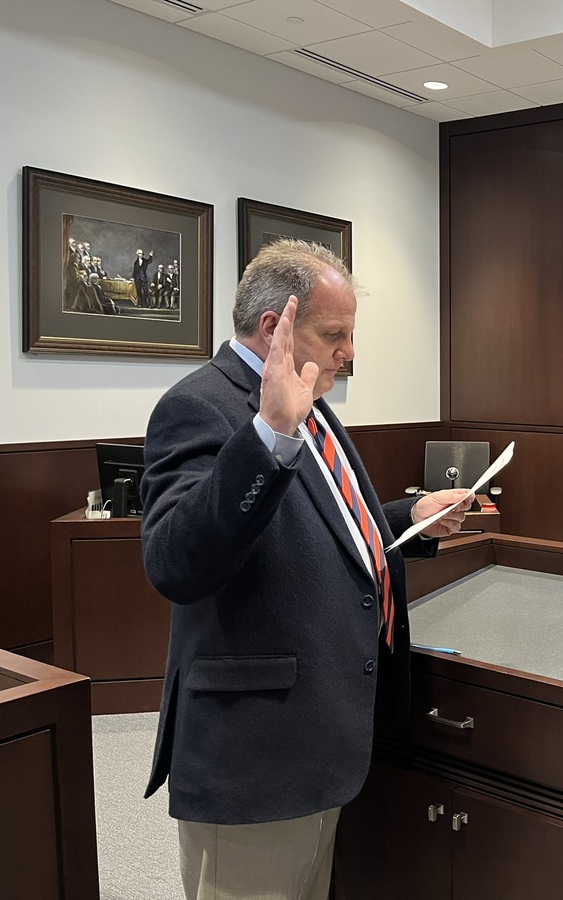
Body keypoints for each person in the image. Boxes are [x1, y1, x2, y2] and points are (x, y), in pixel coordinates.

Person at [140, 238, 473, 900]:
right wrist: (267, 435)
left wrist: (410, 515)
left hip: (319, 742)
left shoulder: (312, 406)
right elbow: (176, 559)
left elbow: (328, 526)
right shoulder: (202, 405)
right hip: (256, 757)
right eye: (335, 334)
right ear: (276, 328)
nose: (349, 351)